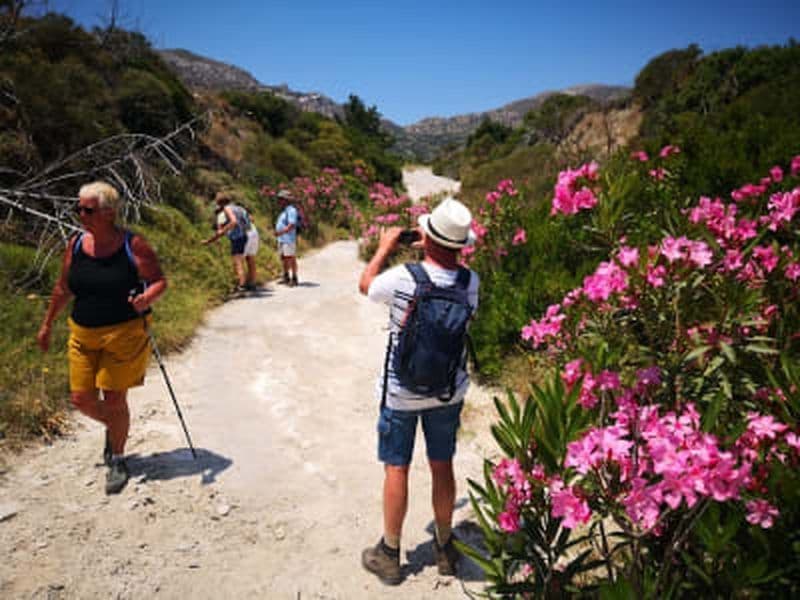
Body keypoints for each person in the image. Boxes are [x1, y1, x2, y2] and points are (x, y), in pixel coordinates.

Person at [358, 197, 480, 585]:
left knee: (398, 466)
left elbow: (366, 286)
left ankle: (390, 554)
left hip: (401, 392)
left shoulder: (403, 277)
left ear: (425, 237)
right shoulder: (470, 281)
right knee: (441, 464)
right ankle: (445, 546)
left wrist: (384, 247)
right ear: (460, 245)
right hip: (447, 390)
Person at [36, 181, 167, 495]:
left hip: (124, 334)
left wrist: (146, 298)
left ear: (108, 213)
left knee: (114, 398)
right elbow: (63, 287)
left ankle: (118, 457)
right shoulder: (77, 245)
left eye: (88, 209)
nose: (81, 214)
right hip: (82, 333)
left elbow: (158, 280)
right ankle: (115, 428)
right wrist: (47, 324)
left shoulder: (132, 245)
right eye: (78, 208)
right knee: (80, 399)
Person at [203, 192, 254, 291]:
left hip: (237, 237)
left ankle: (241, 285)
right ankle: (244, 283)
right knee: (241, 260)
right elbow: (249, 219)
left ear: (220, 203)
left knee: (238, 262)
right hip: (245, 235)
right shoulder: (239, 208)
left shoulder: (227, 208)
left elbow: (233, 221)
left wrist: (224, 230)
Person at [274, 189, 299, 287]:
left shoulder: (291, 210)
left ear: (286, 200)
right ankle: (286, 276)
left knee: (291, 258)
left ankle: (294, 278)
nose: (279, 201)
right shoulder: (285, 211)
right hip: (282, 239)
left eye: (280, 199)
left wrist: (281, 232)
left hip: (288, 239)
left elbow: (292, 224)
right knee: (284, 258)